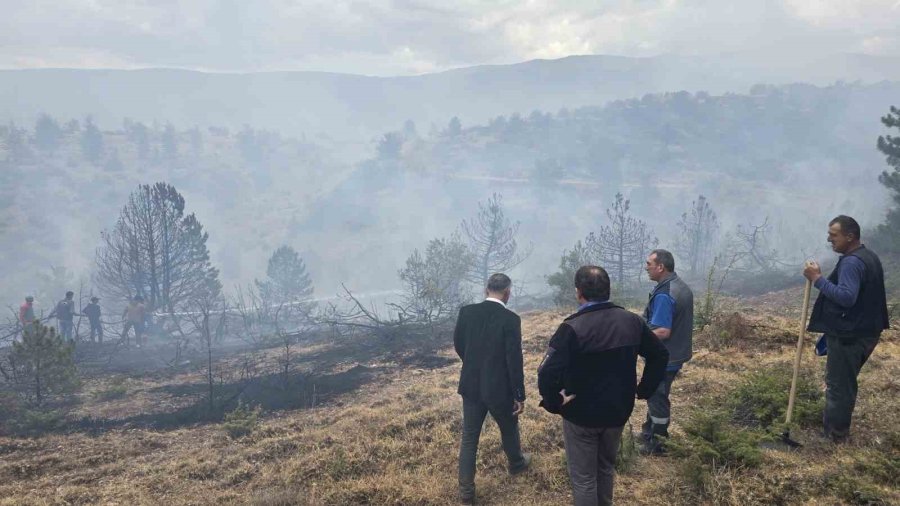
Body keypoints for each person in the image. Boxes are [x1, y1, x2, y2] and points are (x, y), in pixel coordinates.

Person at [539, 266, 668, 506]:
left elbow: (546, 372)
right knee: (606, 468)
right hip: (618, 411)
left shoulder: (571, 328)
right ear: (608, 290)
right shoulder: (632, 321)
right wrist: (644, 390)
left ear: (579, 293)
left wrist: (554, 402)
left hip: (581, 415)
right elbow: (660, 354)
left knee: (584, 478)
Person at [804, 215, 889, 443]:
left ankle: (835, 438)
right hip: (865, 332)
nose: (829, 239)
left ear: (849, 236)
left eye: (834, 235)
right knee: (845, 383)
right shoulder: (867, 256)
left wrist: (817, 279)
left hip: (850, 336)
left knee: (839, 386)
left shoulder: (852, 262)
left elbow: (847, 297)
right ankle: (836, 431)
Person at [454, 273, 530, 505]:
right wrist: (519, 394)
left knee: (469, 438)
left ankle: (466, 491)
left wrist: (473, 362)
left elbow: (459, 344)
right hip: (500, 387)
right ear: (507, 293)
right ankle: (516, 463)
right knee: (509, 427)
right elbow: (513, 360)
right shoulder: (511, 319)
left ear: (486, 290)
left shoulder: (467, 312)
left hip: (472, 384)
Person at [641, 249, 694, 455]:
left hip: (665, 356)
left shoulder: (664, 294)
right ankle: (648, 432)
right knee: (657, 394)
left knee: (657, 396)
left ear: (660, 266)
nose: (646, 268)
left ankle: (658, 443)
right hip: (676, 353)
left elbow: (662, 331)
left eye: (649, 264)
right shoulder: (678, 286)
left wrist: (638, 339)